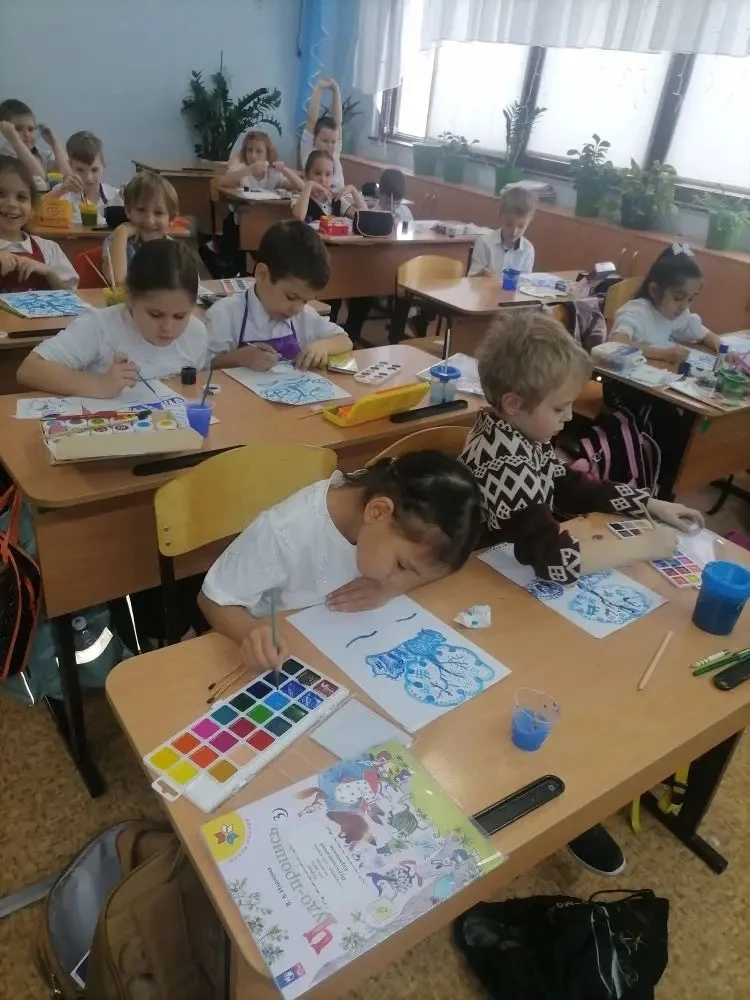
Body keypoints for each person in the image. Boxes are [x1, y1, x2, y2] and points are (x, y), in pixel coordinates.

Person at [459, 310, 704, 878]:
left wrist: (649, 504)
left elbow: (569, 482)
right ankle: (551, 802)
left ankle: (573, 790)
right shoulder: (507, 457)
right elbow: (554, 563)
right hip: (485, 597)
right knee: (558, 686)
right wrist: (641, 544)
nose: (570, 419)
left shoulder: (519, 432)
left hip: (508, 586)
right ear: (515, 403)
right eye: (561, 409)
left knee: (584, 674)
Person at [198, 450, 482, 673]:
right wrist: (248, 633)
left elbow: (427, 572)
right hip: (270, 653)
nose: (401, 581)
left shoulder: (391, 530)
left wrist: (391, 589)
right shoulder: (286, 532)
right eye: (402, 567)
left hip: (332, 650)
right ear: (378, 512)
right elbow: (211, 599)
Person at [17, 240, 208, 395]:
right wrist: (99, 384)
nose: (168, 327)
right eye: (155, 314)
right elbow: (30, 369)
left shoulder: (196, 333)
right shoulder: (100, 326)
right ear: (130, 297)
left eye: (180, 316)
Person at [206, 220, 351, 369]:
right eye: (291, 297)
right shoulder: (225, 315)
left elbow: (344, 340)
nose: (297, 309)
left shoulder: (304, 316)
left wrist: (322, 346)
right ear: (262, 274)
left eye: (305, 301)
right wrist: (238, 358)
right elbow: (203, 367)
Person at [611, 244, 723, 364]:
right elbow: (616, 343)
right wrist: (663, 354)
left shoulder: (676, 314)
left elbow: (702, 333)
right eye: (678, 298)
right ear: (654, 291)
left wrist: (724, 349)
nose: (683, 306)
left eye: (690, 299)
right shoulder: (636, 312)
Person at [0, 155, 78, 292]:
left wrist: (49, 272)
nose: (11, 203)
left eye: (21, 197)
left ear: (32, 208)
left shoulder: (48, 249)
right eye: (0, 194)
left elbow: (72, 296)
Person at [103, 171, 179, 287]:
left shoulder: (174, 250)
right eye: (141, 210)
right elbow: (118, 281)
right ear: (128, 210)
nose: (149, 220)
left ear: (171, 218)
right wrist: (121, 232)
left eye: (158, 213)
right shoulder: (117, 241)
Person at [42, 131, 122, 225]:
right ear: (70, 166)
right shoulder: (62, 193)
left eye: (94, 170)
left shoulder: (116, 197)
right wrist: (61, 190)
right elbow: (38, 211)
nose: (88, 178)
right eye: (80, 170)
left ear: (103, 164)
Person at [468, 187, 536, 278]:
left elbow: (525, 282)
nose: (514, 232)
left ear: (530, 220)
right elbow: (471, 279)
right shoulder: (484, 242)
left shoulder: (528, 250)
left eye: (520, 226)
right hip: (484, 287)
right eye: (509, 224)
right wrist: (481, 275)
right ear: (500, 214)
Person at [0, 98, 69, 187]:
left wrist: (54, 143)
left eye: (30, 129)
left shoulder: (44, 155)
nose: (27, 134)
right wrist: (15, 139)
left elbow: (66, 177)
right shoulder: (5, 156)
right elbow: (40, 179)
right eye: (18, 129)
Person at [218, 130, 304, 195]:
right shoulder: (241, 168)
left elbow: (303, 188)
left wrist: (285, 170)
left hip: (267, 211)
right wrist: (250, 170)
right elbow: (222, 182)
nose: (253, 156)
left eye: (259, 151)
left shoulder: (272, 173)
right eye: (249, 150)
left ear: (267, 154)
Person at [291, 151, 365, 224]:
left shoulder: (336, 199)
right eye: (317, 173)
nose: (323, 179)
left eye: (328, 174)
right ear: (307, 174)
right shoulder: (300, 196)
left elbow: (364, 217)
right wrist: (309, 185)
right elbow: (299, 217)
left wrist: (353, 190)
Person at [299, 76, 345, 190]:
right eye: (325, 141)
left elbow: (338, 123)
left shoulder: (334, 154)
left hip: (338, 197)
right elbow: (311, 120)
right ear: (315, 139)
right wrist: (319, 88)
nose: (329, 145)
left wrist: (336, 90)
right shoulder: (309, 153)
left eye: (333, 142)